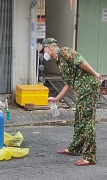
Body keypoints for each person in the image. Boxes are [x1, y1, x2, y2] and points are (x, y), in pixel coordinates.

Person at [40, 38, 103, 166]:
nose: (44, 53)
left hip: (88, 89)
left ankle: (90, 157)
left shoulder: (65, 52)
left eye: (44, 50)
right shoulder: (59, 60)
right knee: (79, 121)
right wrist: (57, 98)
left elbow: (81, 62)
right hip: (81, 91)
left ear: (49, 48)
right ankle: (75, 148)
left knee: (86, 122)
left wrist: (95, 73)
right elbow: (69, 83)